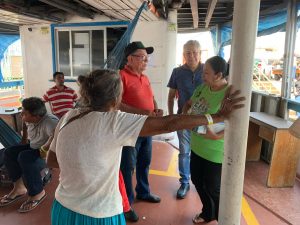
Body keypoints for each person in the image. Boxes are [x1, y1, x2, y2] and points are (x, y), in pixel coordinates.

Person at [46, 69, 244, 225]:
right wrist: (217, 116)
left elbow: (52, 160)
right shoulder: (113, 122)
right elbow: (169, 123)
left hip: (63, 207)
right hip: (97, 214)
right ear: (116, 100)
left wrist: (85, 165)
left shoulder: (68, 117)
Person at [118, 41, 163, 220]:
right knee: (127, 167)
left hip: (147, 129)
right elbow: (117, 104)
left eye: (147, 58)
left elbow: (151, 98)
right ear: (129, 58)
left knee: (144, 163)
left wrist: (156, 108)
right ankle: (127, 203)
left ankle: (143, 192)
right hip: (130, 131)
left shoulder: (145, 77)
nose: (145, 61)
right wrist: (143, 112)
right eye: (142, 57)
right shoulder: (121, 76)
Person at [182, 56, 230, 224]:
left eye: (207, 73)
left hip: (215, 150)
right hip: (197, 145)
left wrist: (216, 136)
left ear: (219, 75)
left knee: (213, 187)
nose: (203, 76)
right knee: (196, 180)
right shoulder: (203, 88)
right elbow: (189, 103)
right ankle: (208, 212)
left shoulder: (228, 93)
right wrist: (185, 115)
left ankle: (224, 217)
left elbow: (236, 124)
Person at [0, 97, 58, 212]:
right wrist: (24, 140)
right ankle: (19, 188)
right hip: (34, 147)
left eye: (24, 113)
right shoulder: (28, 119)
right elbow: (25, 126)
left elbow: (56, 136)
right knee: (9, 152)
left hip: (48, 153)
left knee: (25, 157)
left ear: (36, 116)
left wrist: (44, 149)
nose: (21, 115)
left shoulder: (50, 122)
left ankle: (38, 192)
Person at [167, 40, 203, 199]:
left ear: (200, 53)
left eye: (195, 52)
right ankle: (185, 182)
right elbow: (171, 96)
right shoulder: (177, 72)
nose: (192, 56)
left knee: (202, 152)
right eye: (188, 52)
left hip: (203, 120)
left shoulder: (207, 70)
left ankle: (200, 181)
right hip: (183, 118)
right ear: (184, 55)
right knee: (184, 152)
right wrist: (171, 117)